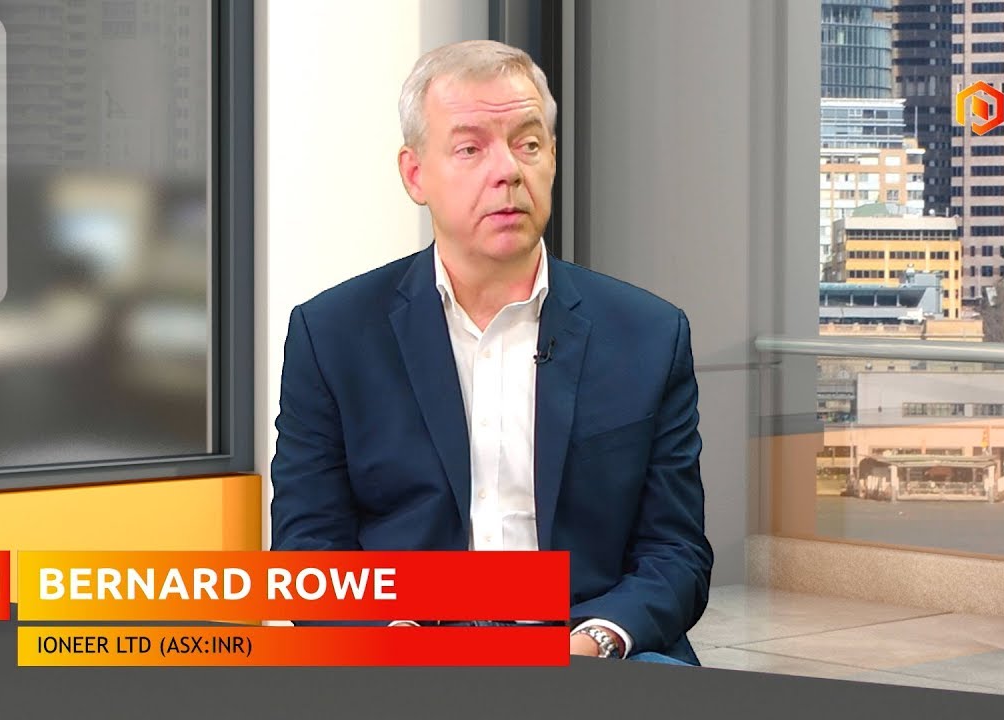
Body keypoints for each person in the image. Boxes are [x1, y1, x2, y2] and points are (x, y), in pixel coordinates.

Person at [270, 39, 712, 665]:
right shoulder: (332, 335)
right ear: (415, 174)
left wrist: (593, 641)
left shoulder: (649, 333)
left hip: (589, 643)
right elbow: (308, 550)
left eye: (528, 144)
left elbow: (676, 552)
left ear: (551, 158)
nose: (507, 171)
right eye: (470, 148)